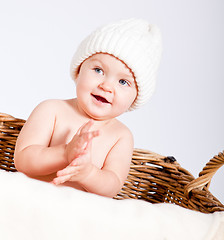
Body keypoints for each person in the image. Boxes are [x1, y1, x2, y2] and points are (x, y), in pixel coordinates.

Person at [14, 18, 162, 198]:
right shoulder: (51, 110)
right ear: (78, 71)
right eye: (98, 70)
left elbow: (112, 185)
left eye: (123, 82)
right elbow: (22, 160)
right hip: (32, 199)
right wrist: (65, 153)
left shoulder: (121, 136)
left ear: (134, 99)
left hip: (78, 217)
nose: (107, 86)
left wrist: (88, 174)